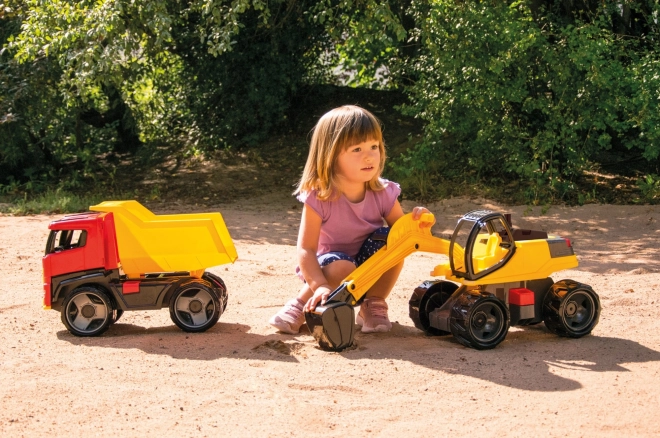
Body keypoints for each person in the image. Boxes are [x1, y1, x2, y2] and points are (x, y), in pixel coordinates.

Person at [269, 105, 431, 335]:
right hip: (330, 271)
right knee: (343, 264)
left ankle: (373, 304)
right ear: (331, 155)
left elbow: (404, 232)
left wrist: (417, 222)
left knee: (394, 241)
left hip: (371, 268)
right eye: (357, 149)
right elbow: (306, 249)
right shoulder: (320, 197)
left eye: (374, 146)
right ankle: (300, 304)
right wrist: (319, 285)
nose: (369, 155)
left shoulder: (383, 192)